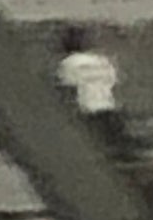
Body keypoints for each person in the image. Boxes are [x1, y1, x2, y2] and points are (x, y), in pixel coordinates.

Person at [55, 25, 133, 160]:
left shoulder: (68, 64)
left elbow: (66, 93)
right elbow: (113, 82)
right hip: (110, 109)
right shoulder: (102, 60)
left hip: (88, 114)